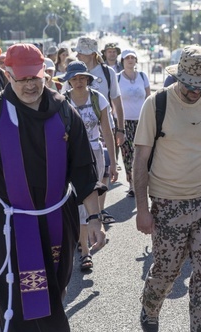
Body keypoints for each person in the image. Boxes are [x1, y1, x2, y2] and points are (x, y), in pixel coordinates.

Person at [0, 43, 106, 332]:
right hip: (9, 226)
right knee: (16, 297)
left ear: (44, 74)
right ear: (8, 75)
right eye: (22, 79)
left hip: (58, 221)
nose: (30, 84)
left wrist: (95, 217)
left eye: (35, 77)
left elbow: (84, 172)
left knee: (54, 294)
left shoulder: (65, 113)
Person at [133, 45, 201, 332]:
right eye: (191, 85)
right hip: (167, 204)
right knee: (166, 271)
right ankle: (151, 305)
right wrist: (142, 208)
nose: (195, 92)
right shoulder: (156, 105)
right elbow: (140, 160)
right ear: (178, 76)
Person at [59, 60, 118, 271]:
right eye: (74, 78)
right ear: (68, 81)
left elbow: (107, 132)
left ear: (87, 78)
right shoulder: (62, 102)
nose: (78, 82)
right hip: (70, 156)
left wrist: (113, 162)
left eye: (82, 77)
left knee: (88, 203)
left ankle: (84, 247)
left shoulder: (97, 98)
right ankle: (84, 249)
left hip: (94, 153)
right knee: (76, 205)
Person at [75, 36, 126, 223]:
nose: (77, 54)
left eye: (80, 51)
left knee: (104, 170)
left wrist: (120, 128)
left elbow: (117, 101)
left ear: (90, 52)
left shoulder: (107, 72)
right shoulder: (75, 70)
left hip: (103, 127)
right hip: (80, 131)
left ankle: (99, 210)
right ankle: (86, 215)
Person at [117, 49, 150, 197]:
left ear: (136, 61)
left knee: (142, 153)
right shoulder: (117, 79)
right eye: (127, 58)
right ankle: (132, 184)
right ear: (122, 61)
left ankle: (142, 182)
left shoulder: (143, 76)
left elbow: (149, 99)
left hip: (142, 121)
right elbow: (114, 101)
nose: (130, 60)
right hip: (124, 122)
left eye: (133, 58)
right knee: (128, 154)